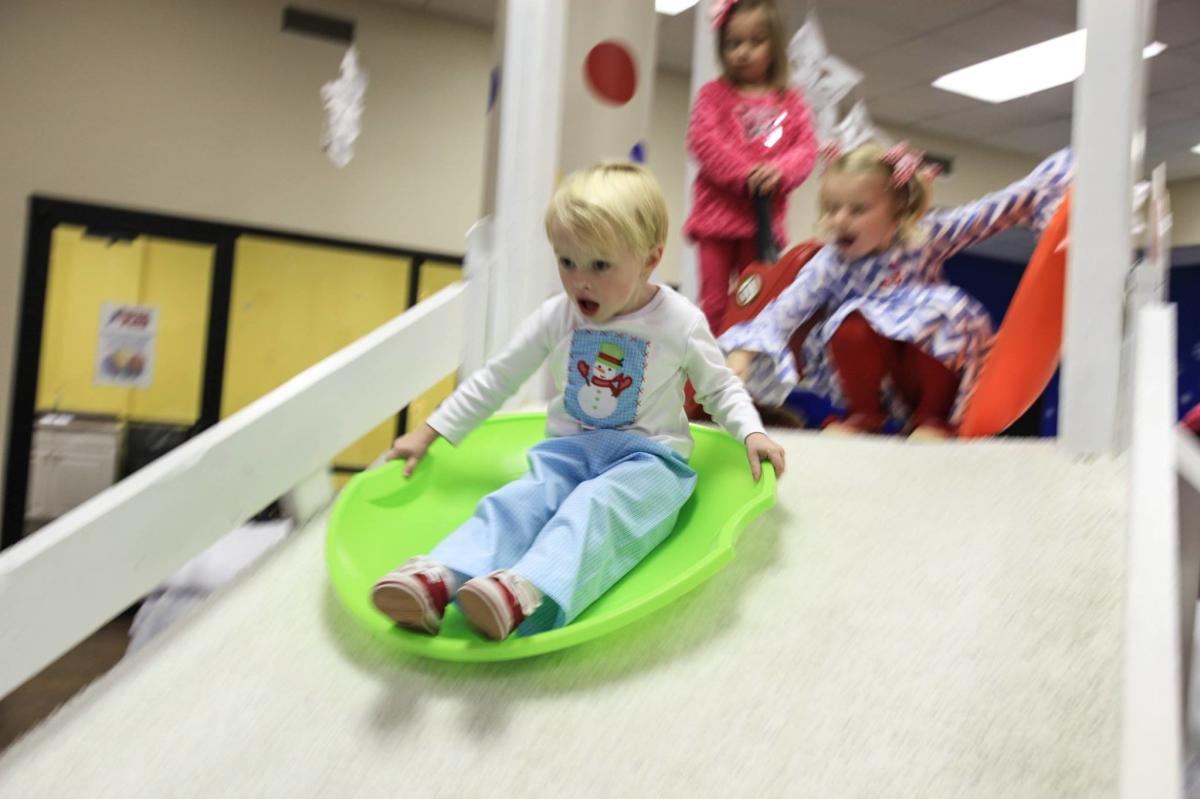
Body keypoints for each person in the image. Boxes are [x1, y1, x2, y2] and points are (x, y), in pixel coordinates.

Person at [371, 163, 786, 641]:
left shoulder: (679, 322)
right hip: (569, 455)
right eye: (566, 262)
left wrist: (752, 431)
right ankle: (439, 575)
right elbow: (497, 377)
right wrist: (430, 431)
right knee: (519, 500)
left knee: (595, 507)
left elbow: (720, 387)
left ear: (650, 259)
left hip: (649, 464)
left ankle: (526, 591)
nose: (579, 281)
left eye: (600, 266)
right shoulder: (557, 317)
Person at [722, 142, 1073, 438]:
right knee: (851, 323)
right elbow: (787, 308)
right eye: (831, 209)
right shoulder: (831, 262)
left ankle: (933, 418)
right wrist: (744, 351)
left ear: (898, 212)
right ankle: (865, 415)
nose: (840, 220)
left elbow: (992, 211)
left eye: (857, 210)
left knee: (941, 310)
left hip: (925, 371)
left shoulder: (925, 237)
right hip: (878, 377)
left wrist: (1052, 187)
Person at [684, 0, 818, 333]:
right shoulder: (714, 95)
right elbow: (703, 141)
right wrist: (745, 174)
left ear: (774, 45)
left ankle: (745, 369)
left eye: (755, 42)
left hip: (761, 224)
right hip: (715, 220)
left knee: (756, 300)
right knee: (713, 301)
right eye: (733, 43)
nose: (743, 52)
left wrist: (780, 172)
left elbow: (806, 149)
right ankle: (709, 367)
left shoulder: (791, 101)